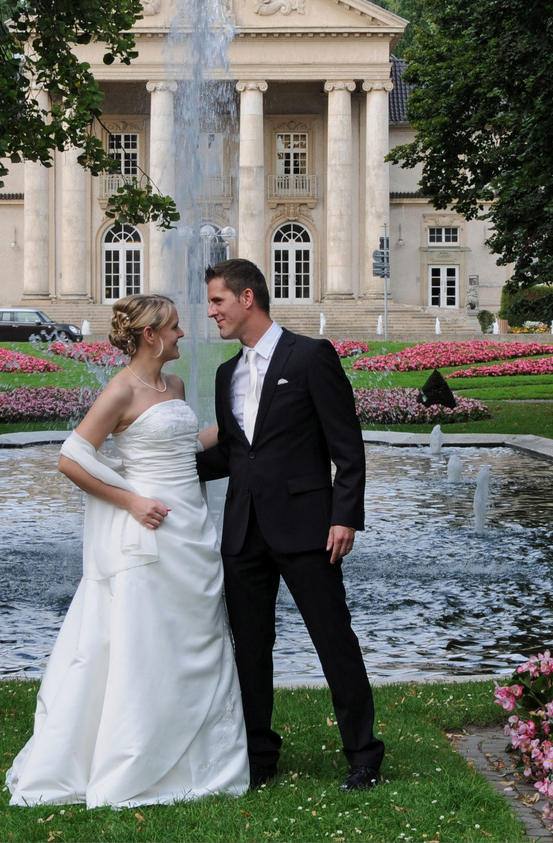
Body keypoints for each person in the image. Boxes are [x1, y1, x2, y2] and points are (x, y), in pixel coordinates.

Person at [6, 294, 249, 809]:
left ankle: (207, 760)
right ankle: (135, 760)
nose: (184, 334)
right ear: (150, 335)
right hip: (149, 529)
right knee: (146, 643)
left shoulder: (175, 386)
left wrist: (246, 425)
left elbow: (185, 447)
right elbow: (72, 459)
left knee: (197, 637)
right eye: (176, 327)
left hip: (192, 527)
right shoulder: (119, 390)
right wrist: (132, 501)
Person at [197, 259, 385, 791]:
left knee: (333, 640)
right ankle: (259, 757)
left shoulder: (311, 356)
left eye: (218, 301)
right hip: (243, 533)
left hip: (308, 529)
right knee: (250, 649)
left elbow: (347, 447)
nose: (211, 312)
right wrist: (164, 471)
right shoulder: (224, 373)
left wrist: (345, 515)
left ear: (247, 298)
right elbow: (237, 453)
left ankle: (364, 754)